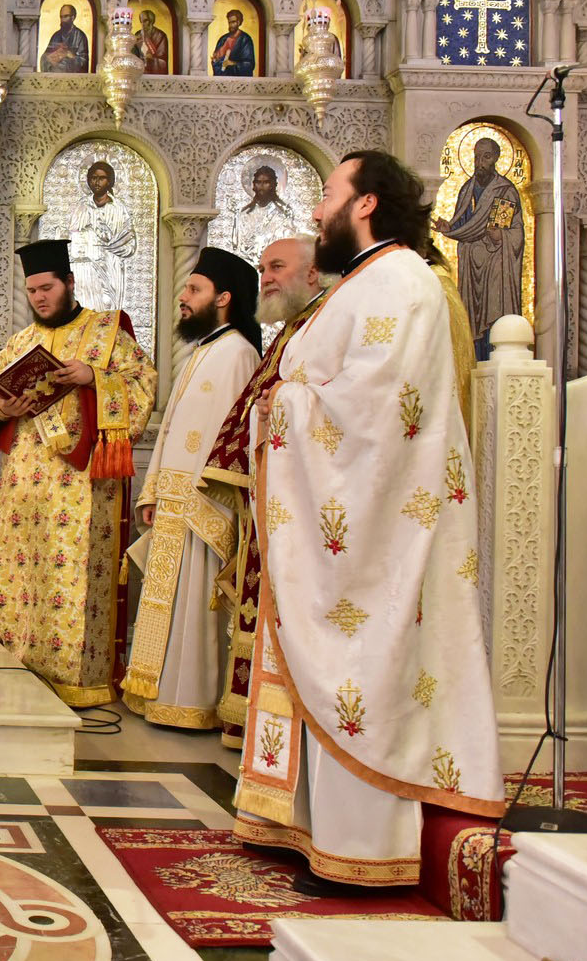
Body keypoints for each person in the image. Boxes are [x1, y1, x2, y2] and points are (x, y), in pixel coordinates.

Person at [235, 150, 503, 891]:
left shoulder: (398, 281)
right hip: (345, 512)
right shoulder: (364, 283)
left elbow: (374, 412)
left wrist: (282, 404)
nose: (316, 209)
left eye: (328, 193)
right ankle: (313, 830)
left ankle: (364, 848)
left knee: (363, 663)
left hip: (375, 524)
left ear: (365, 203)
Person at [0, 239, 154, 704]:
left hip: (82, 484)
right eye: (32, 291)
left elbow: (143, 385)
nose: (39, 298)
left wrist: (93, 377)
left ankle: (78, 681)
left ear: (69, 283)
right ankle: (21, 667)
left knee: (74, 576)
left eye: (47, 288)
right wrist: (2, 408)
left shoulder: (106, 334)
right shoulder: (20, 343)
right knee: (22, 575)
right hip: (25, 484)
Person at [123, 248, 261, 730]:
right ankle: (158, 696)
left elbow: (236, 439)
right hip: (174, 502)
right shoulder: (203, 350)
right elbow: (170, 432)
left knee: (195, 607)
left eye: (194, 289)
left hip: (205, 504)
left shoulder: (240, 353)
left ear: (223, 298)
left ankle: (193, 702)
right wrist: (153, 493)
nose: (183, 297)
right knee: (167, 602)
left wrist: (210, 501)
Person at [202, 236, 329, 748]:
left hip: (307, 502)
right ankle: (256, 728)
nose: (266, 278)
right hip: (274, 491)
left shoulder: (324, 326)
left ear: (313, 274)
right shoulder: (292, 331)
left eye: (277, 266)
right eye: (262, 269)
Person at [432, 136, 523, 357]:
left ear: (496, 159)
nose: (480, 162)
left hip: (495, 264)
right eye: (476, 157)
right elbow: (462, 223)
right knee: (471, 316)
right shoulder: (467, 189)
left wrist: (500, 236)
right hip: (470, 264)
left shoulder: (504, 190)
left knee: (493, 313)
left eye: (486, 157)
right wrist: (449, 227)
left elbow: (506, 230)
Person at [66, 160, 135, 312]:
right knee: (86, 309)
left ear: (109, 181)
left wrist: (109, 241)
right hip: (86, 269)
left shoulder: (118, 209)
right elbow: (72, 236)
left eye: (101, 178)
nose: (97, 182)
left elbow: (128, 242)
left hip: (110, 265)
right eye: (93, 178)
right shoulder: (81, 207)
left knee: (108, 306)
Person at [231, 164, 301, 259]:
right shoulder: (243, 214)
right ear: (254, 185)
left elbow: (288, 245)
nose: (262, 186)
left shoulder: (283, 214)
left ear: (273, 185)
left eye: (266, 182)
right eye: (258, 182)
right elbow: (237, 247)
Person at [40, 4, 90, 73]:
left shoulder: (80, 36)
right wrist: (51, 57)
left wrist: (69, 55)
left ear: (72, 17)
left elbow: (83, 61)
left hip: (73, 77)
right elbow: (45, 58)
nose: (63, 20)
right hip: (55, 75)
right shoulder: (56, 36)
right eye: (61, 17)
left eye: (66, 16)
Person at [211, 8, 256, 76]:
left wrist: (232, 63)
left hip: (239, 79)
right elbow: (216, 61)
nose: (231, 25)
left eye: (233, 22)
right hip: (222, 78)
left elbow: (249, 65)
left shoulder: (245, 39)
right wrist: (215, 60)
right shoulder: (223, 39)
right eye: (229, 22)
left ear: (239, 22)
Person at [135, 8, 171, 74]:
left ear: (151, 21)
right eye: (141, 21)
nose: (143, 24)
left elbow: (163, 60)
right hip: (140, 71)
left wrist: (152, 58)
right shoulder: (138, 34)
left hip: (155, 73)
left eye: (145, 21)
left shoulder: (160, 35)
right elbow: (134, 55)